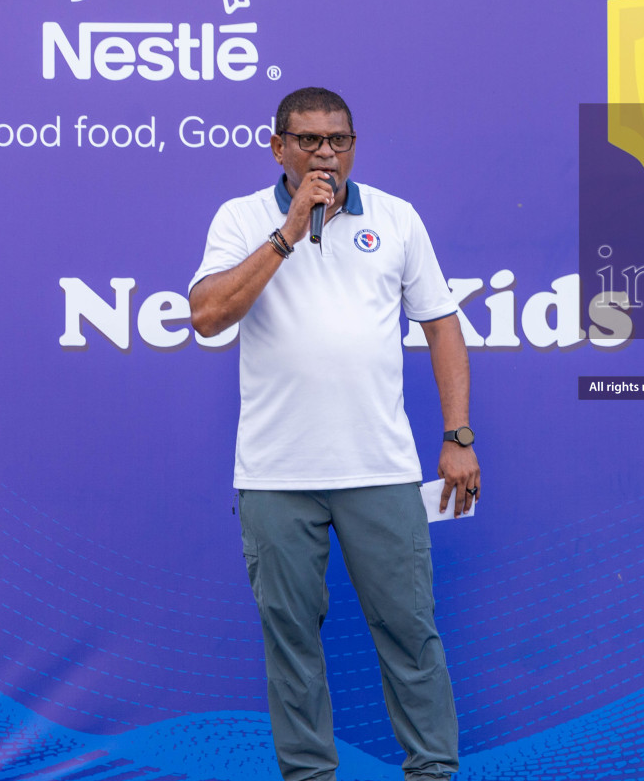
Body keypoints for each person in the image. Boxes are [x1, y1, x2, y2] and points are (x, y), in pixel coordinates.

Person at [189, 86, 478, 781]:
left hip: (378, 468)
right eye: (310, 141)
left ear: (353, 144)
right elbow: (207, 316)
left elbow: (441, 324)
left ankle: (433, 771)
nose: (326, 153)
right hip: (276, 475)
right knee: (290, 643)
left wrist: (458, 436)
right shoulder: (241, 219)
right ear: (278, 146)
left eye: (338, 140)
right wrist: (288, 232)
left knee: (410, 633)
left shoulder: (396, 217)